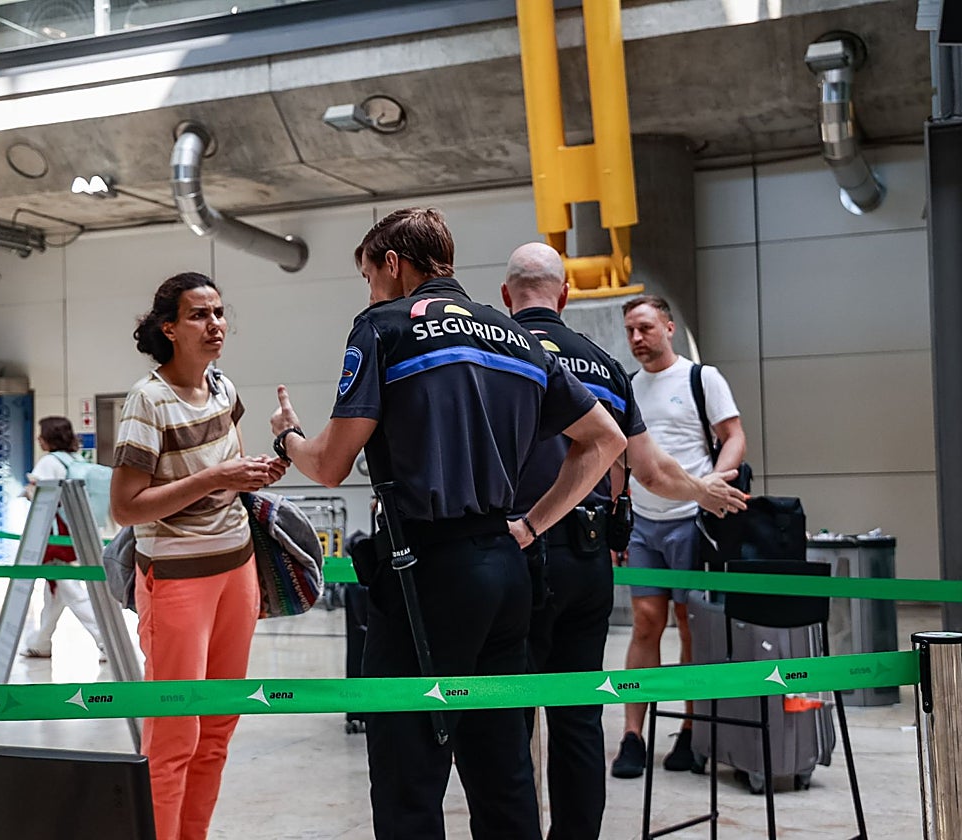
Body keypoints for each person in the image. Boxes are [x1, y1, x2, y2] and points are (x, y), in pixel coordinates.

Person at [269, 208, 625, 840]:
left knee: (410, 771)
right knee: (503, 767)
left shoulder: (383, 327)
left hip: (425, 573)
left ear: (393, 264)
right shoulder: (512, 335)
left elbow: (329, 465)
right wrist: (534, 525)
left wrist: (288, 438)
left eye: (369, 276)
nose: (371, 291)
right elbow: (604, 440)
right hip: (508, 565)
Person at [501, 243, 747, 839]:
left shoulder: (495, 353)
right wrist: (702, 490)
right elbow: (650, 469)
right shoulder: (606, 368)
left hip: (511, 552)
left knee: (508, 718)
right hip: (586, 560)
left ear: (508, 298)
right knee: (580, 716)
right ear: (563, 296)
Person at [108, 272, 287, 840]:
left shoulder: (222, 389)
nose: (215, 325)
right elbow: (127, 507)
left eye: (218, 313)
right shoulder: (147, 401)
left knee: (218, 726)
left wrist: (261, 468)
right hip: (178, 580)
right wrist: (217, 475)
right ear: (170, 328)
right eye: (198, 316)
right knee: (173, 734)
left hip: (238, 569)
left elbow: (225, 479)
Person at [612, 293, 747, 779]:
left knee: (690, 626)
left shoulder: (699, 378)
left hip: (693, 521)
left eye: (645, 327)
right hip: (645, 524)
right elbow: (618, 457)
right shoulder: (626, 387)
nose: (636, 338)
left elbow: (733, 435)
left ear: (668, 327)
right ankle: (632, 735)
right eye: (629, 330)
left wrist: (714, 484)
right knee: (645, 624)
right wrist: (616, 519)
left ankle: (690, 731)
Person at [20, 415, 106, 662]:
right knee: (56, 588)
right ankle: (41, 641)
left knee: (70, 589)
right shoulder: (76, 459)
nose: (38, 438)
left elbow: (36, 495)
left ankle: (105, 640)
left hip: (57, 535)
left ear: (49, 437)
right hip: (80, 532)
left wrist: (27, 492)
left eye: (41, 433)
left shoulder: (48, 463)